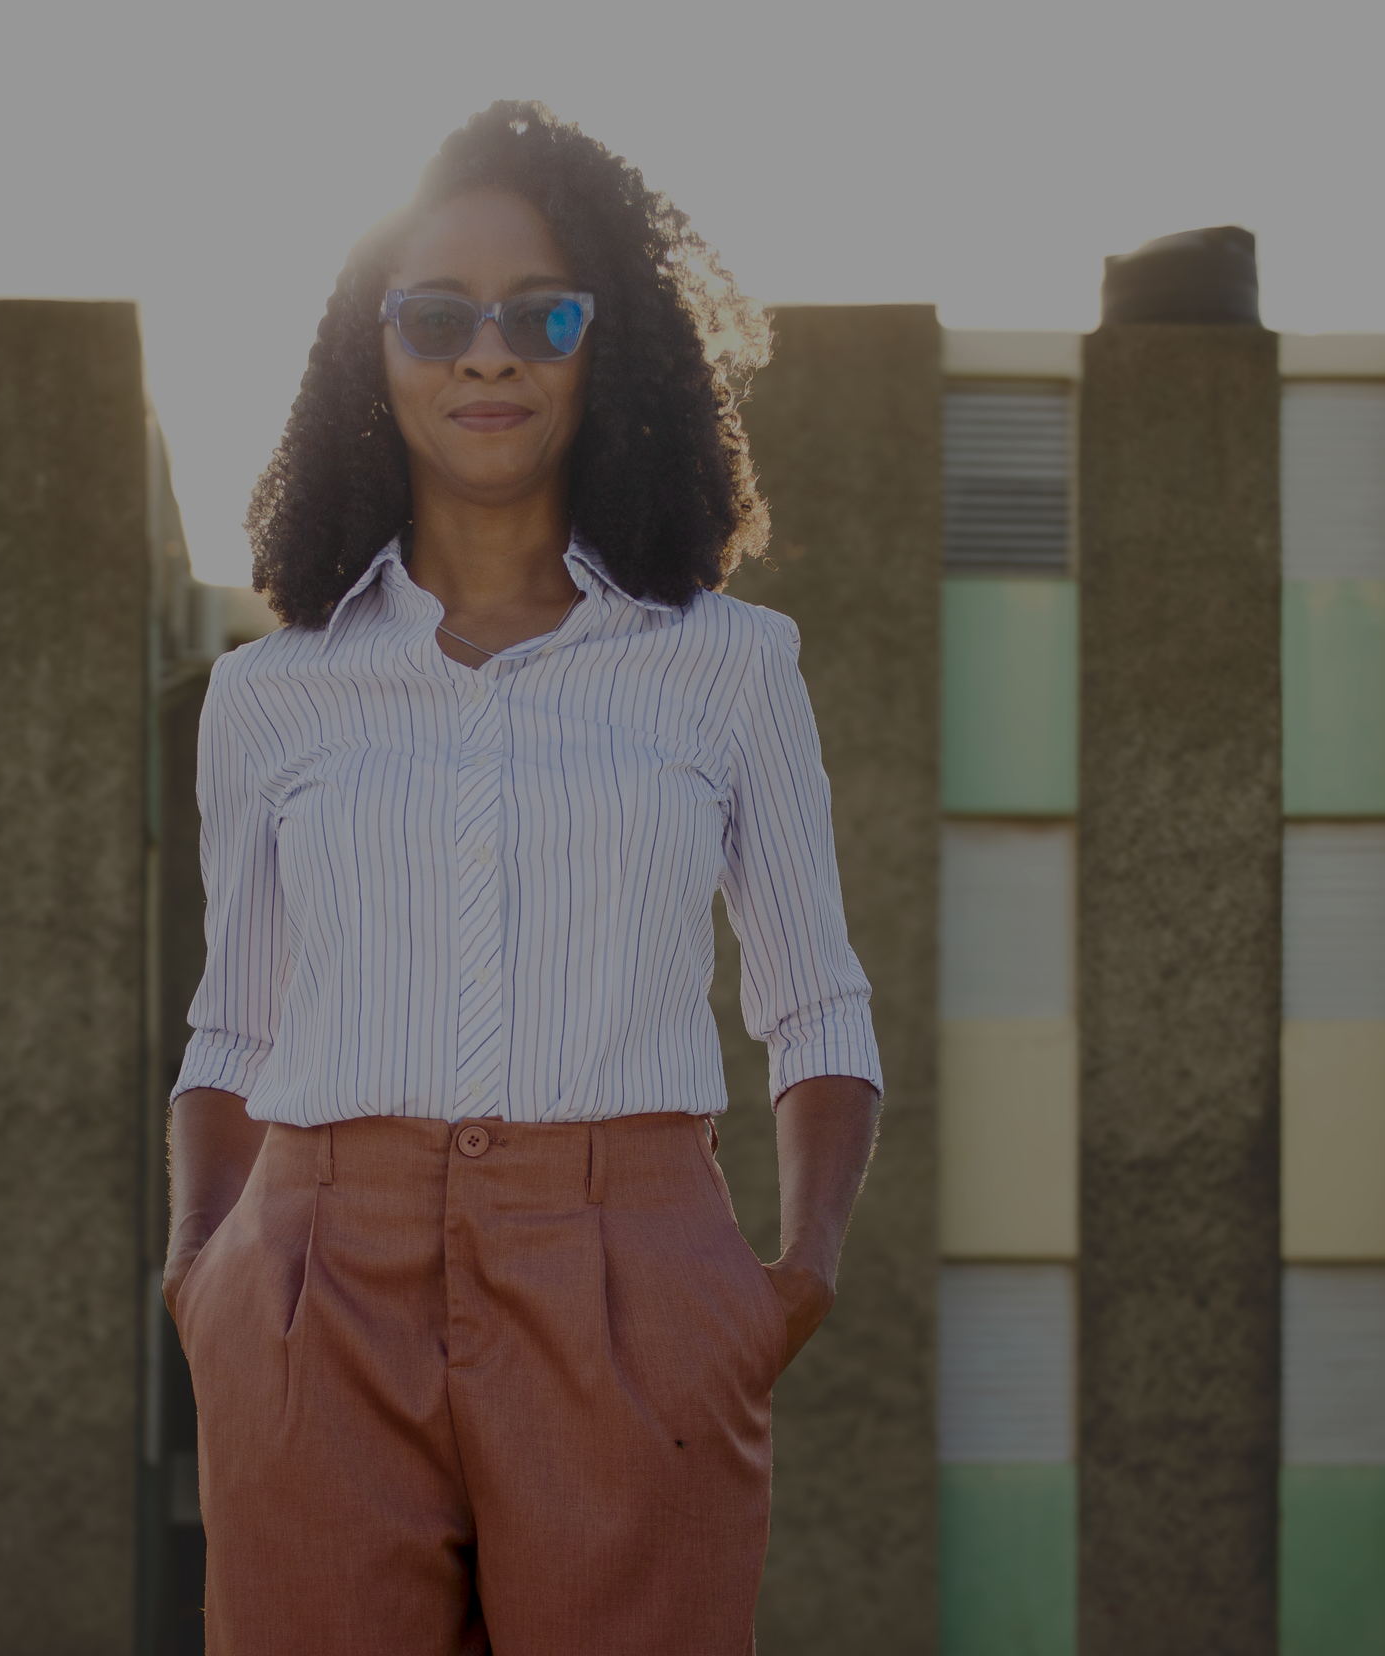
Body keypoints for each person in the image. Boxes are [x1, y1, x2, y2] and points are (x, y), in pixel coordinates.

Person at [166, 100, 885, 1656]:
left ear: (601, 347)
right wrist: (199, 1277)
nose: (485, 355)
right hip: (312, 1287)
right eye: (436, 316)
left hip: (632, 1283)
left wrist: (792, 1278)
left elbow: (816, 1000)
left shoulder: (732, 668)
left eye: (539, 313)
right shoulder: (271, 693)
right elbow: (234, 1022)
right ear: (377, 353)